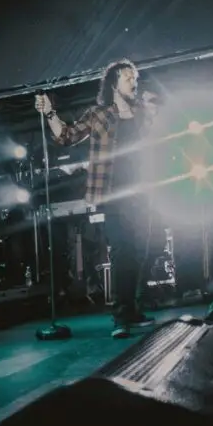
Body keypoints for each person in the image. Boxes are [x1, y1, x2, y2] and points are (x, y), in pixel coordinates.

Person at [34, 59, 159, 338]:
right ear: (114, 83)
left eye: (135, 78)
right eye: (128, 78)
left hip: (143, 192)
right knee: (123, 251)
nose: (134, 82)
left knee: (143, 252)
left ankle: (133, 310)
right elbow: (66, 136)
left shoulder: (142, 113)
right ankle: (121, 316)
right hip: (113, 194)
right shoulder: (100, 114)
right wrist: (50, 113)